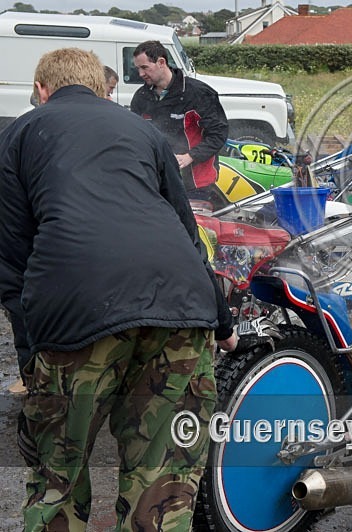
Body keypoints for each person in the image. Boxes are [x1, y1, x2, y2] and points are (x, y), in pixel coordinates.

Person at [0, 47, 237, 530]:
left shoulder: (19, 134)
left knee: (57, 479)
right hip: (180, 309)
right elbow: (187, 232)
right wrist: (222, 321)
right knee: (164, 483)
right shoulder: (145, 132)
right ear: (101, 87)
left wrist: (32, 355)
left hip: (76, 313)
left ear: (42, 91)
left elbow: (12, 257)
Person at [130, 40, 228, 204]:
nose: (140, 74)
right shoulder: (141, 97)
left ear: (161, 62)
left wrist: (191, 156)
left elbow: (219, 134)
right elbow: (135, 137)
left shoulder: (199, 93)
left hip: (196, 183)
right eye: (138, 69)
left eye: (145, 67)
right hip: (157, 183)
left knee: (192, 229)